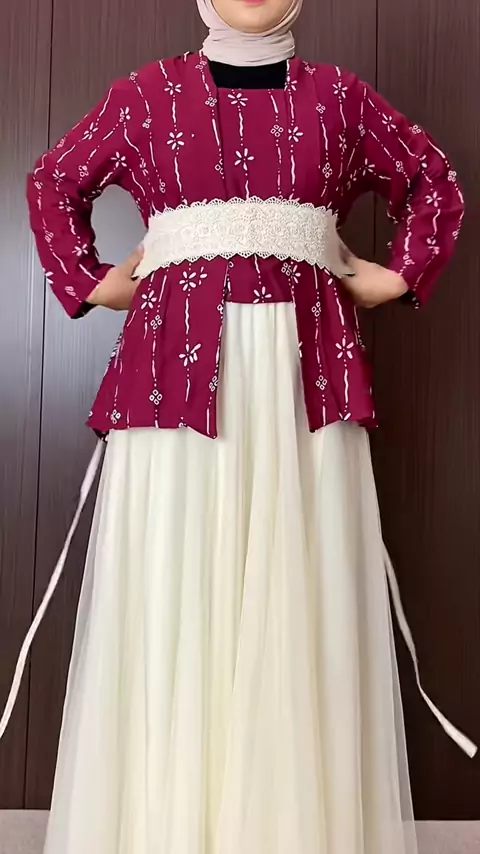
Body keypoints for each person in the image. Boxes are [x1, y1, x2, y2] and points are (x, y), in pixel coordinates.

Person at [0, 0, 476, 852]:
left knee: (298, 583)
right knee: (177, 581)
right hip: (174, 387)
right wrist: (93, 279)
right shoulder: (146, 96)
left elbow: (433, 179)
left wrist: (398, 274)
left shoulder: (341, 99)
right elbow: (52, 182)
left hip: (304, 387)